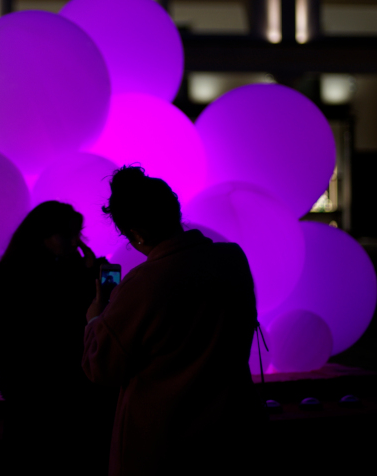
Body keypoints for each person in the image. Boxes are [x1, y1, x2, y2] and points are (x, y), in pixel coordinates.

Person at [82, 167, 261, 475]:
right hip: (233, 436)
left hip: (162, 444)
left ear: (137, 234)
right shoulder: (233, 258)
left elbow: (103, 368)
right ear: (175, 211)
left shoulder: (143, 283)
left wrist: (95, 319)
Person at [0, 200, 116, 475]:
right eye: (66, 235)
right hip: (41, 402)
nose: (75, 242)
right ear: (40, 237)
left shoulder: (59, 273)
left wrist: (95, 275)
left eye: (78, 234)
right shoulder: (22, 279)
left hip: (62, 401)